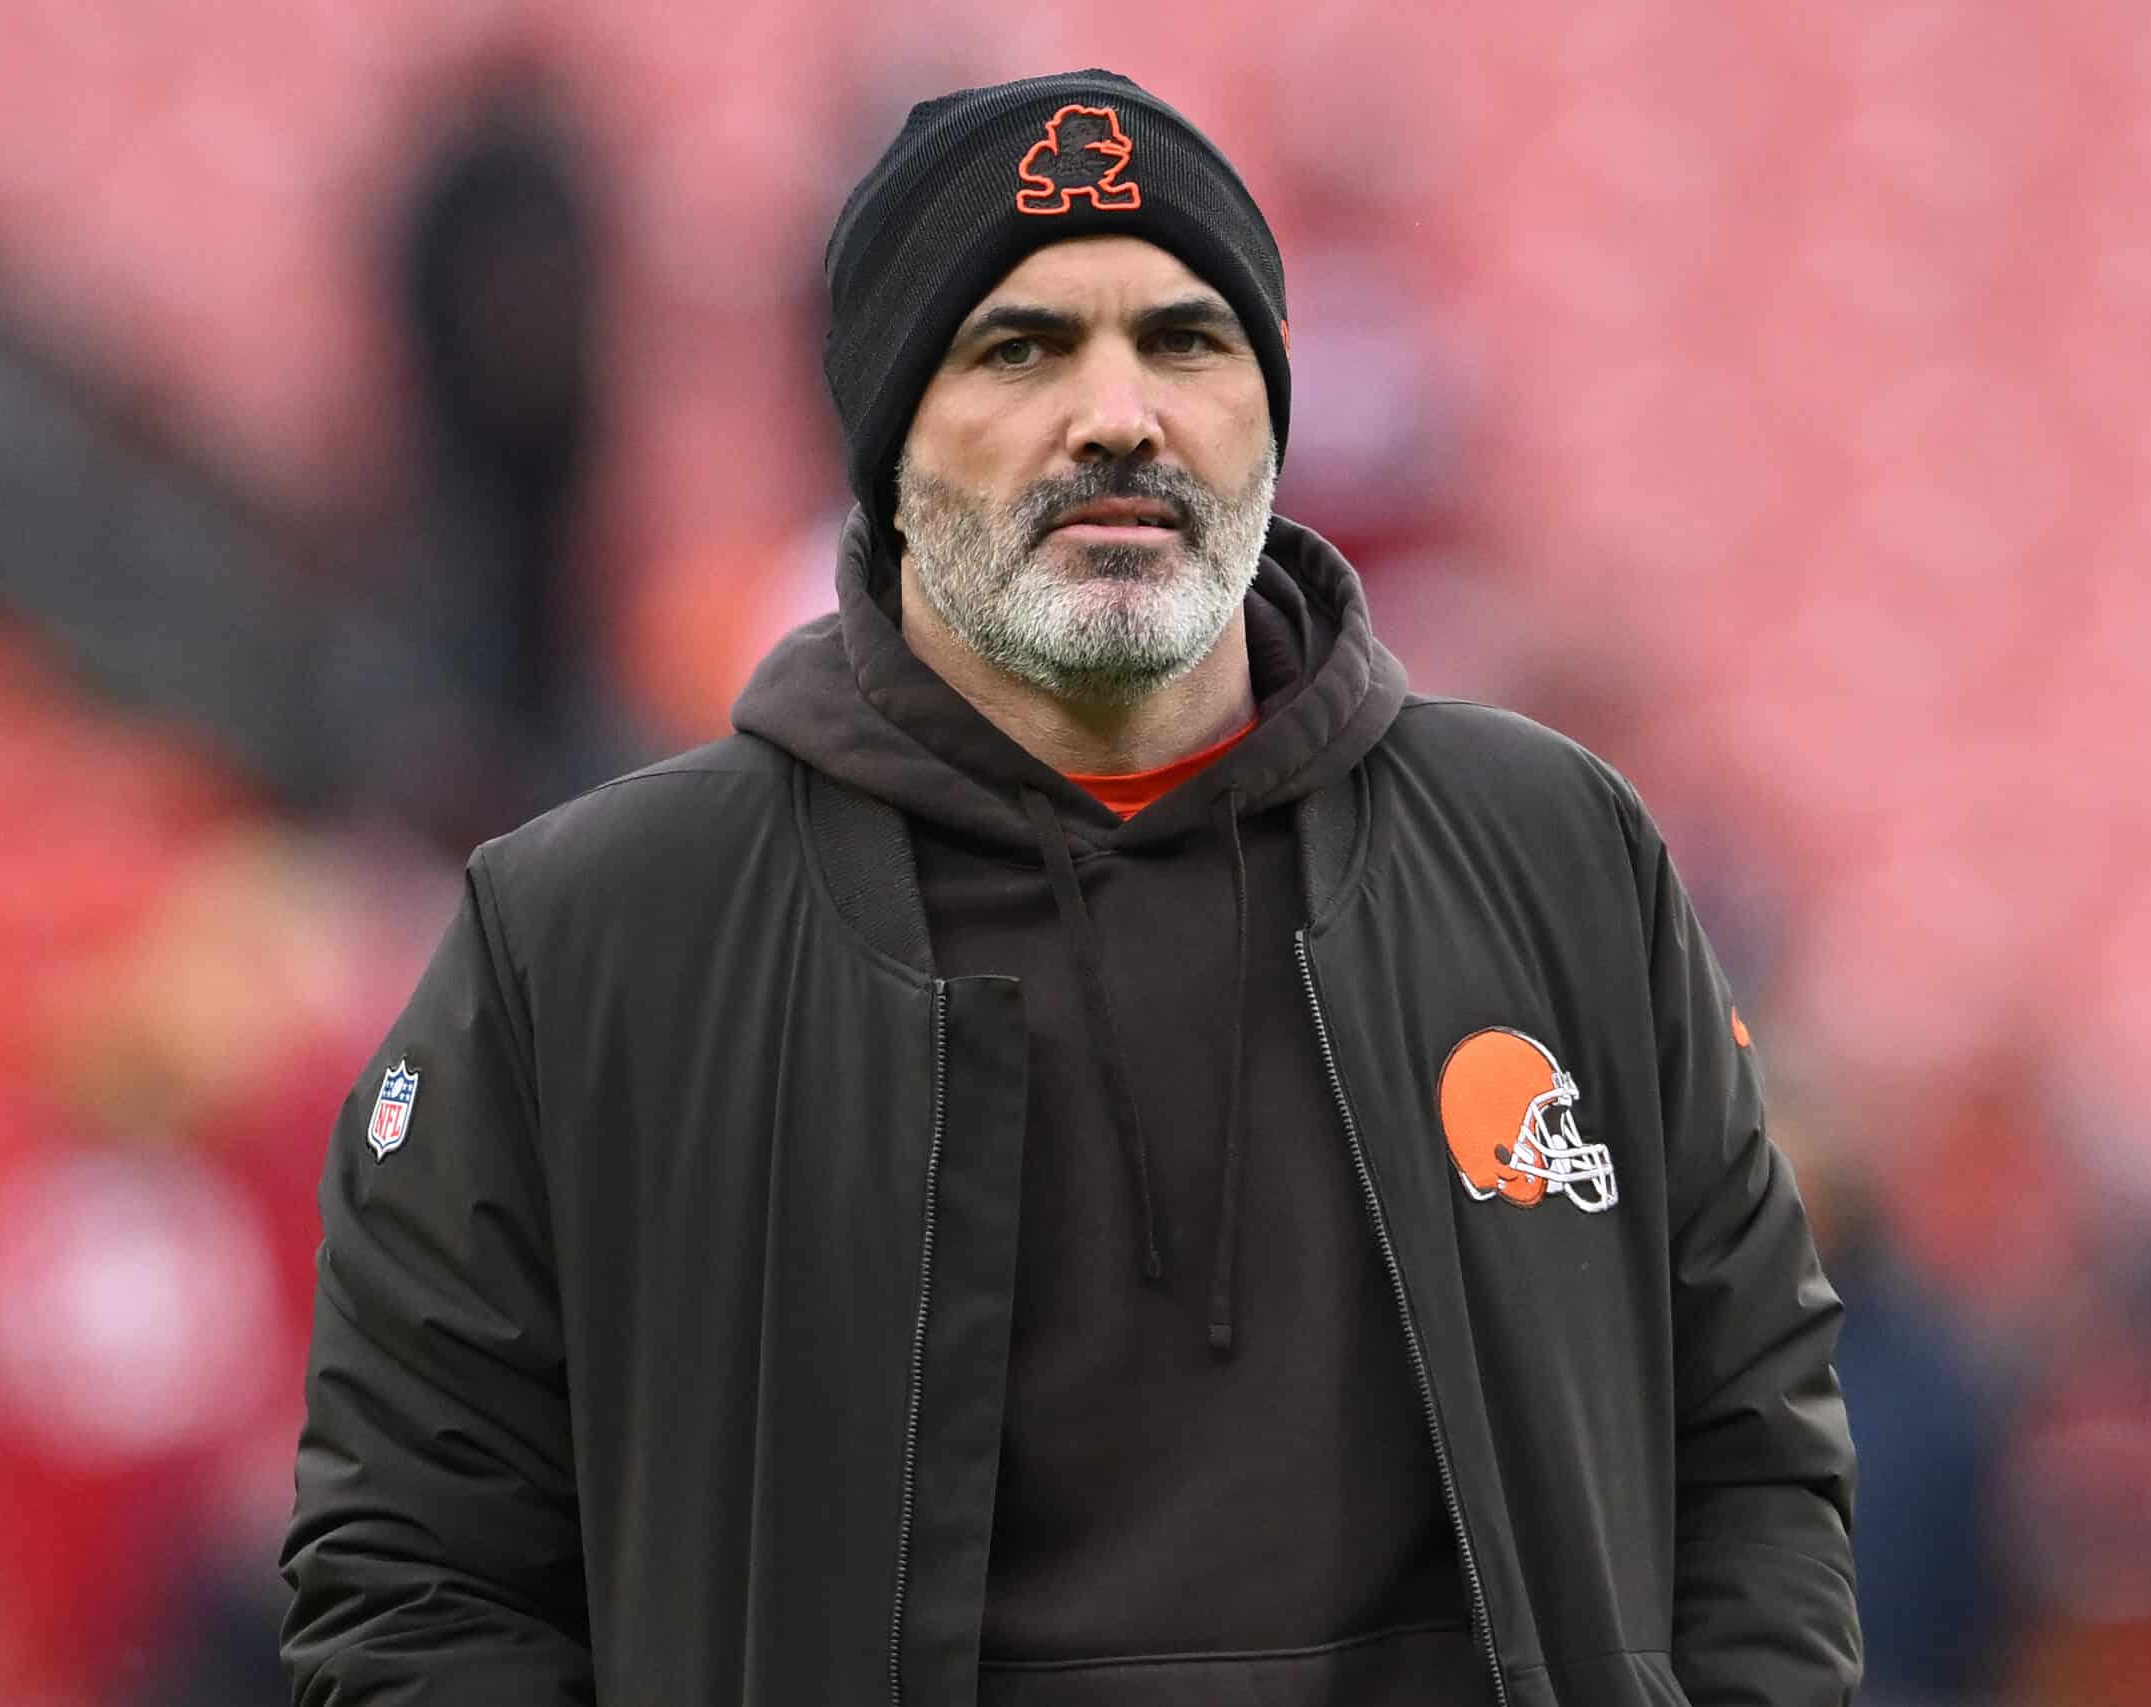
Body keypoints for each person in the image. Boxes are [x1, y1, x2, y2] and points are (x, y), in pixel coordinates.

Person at [281, 69, 1859, 1707]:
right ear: (887, 442)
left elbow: (1752, 1442)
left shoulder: (1560, 862)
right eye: (1019, 347)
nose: (1120, 414)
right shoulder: (584, 944)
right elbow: (417, 1571)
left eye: (1186, 339)